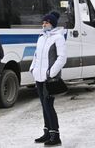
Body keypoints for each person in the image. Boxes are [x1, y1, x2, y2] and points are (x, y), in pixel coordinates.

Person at [30, 11, 67, 146]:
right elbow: (36, 55)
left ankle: (55, 135)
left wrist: (51, 73)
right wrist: (32, 68)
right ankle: (47, 133)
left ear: (52, 24)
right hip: (39, 77)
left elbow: (62, 58)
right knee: (43, 105)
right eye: (43, 22)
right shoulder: (41, 37)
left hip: (49, 79)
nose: (44, 24)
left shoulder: (58, 38)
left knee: (48, 105)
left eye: (47, 22)